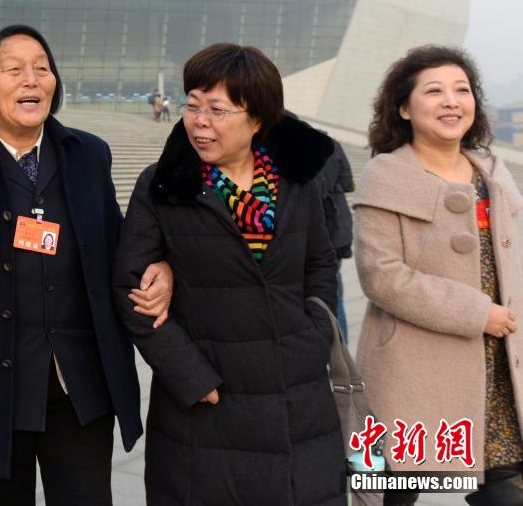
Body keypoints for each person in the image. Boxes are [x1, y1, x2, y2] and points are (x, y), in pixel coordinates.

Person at [0, 24, 173, 506]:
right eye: (13, 69)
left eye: (42, 68)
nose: (31, 79)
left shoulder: (89, 155)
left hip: (80, 387)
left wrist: (162, 266)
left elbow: (118, 246)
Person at [113, 43, 346, 505]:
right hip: (208, 401)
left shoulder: (296, 182)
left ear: (257, 118)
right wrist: (190, 375)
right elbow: (129, 288)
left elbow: (320, 262)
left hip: (297, 394)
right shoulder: (163, 186)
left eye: (217, 110)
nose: (200, 122)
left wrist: (315, 332)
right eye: (192, 106)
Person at [354, 46, 523, 506]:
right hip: (415, 367)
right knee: (394, 489)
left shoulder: (492, 171)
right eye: (434, 91)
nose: (451, 101)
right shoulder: (385, 176)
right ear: (404, 108)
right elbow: (380, 275)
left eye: (462, 90)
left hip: (497, 368)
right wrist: (476, 313)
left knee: (506, 491)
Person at [319, 138, 355, 337]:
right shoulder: (333, 145)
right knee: (335, 293)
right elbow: (348, 182)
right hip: (339, 227)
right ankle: (342, 347)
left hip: (322, 229)